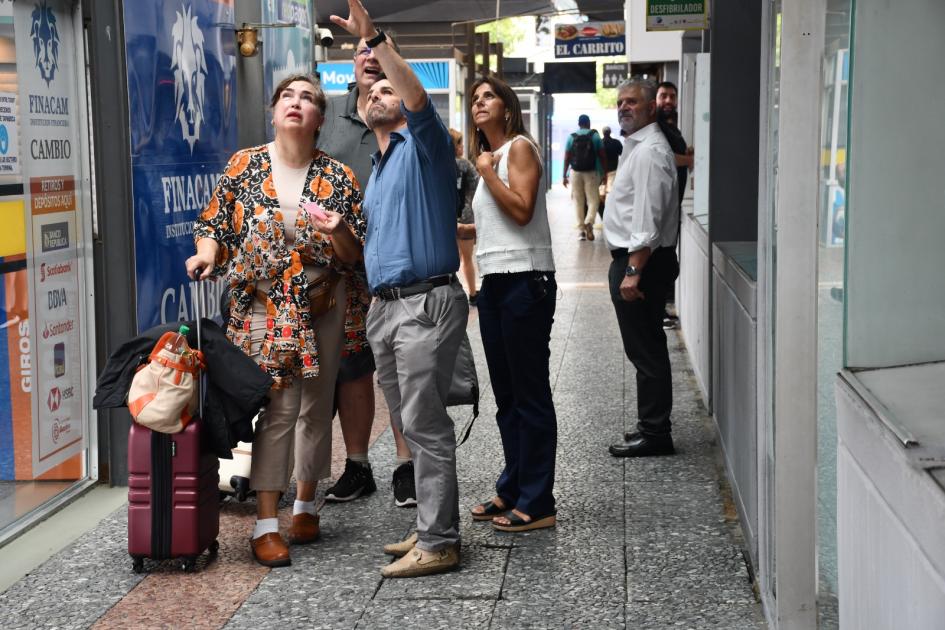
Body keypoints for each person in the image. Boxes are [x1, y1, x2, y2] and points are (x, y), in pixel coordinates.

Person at [186, 75, 365, 567]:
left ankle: (306, 504)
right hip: (266, 307)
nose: (297, 102)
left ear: (319, 119)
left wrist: (339, 231)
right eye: (288, 95)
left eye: (308, 98)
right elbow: (214, 225)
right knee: (282, 407)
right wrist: (205, 256)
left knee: (316, 404)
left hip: (324, 304)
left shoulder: (340, 176)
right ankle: (266, 523)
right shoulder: (243, 166)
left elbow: (352, 256)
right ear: (273, 111)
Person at [330, 0, 468, 578]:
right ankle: (428, 526)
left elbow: (416, 97)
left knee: (425, 424)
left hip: (423, 302)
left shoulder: (427, 147)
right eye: (369, 93)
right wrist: (339, 232)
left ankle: (439, 540)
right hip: (386, 309)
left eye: (387, 89)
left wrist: (377, 40)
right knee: (410, 423)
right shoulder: (379, 170)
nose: (377, 95)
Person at [316, 31, 417, 508]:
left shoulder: (404, 115)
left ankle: (407, 466)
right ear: (351, 63)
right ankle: (358, 465)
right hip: (339, 265)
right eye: (363, 53)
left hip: (394, 260)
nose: (371, 61)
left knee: (399, 366)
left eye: (380, 53)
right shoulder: (327, 112)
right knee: (351, 370)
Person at [466, 75, 558, 533]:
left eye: (489, 96)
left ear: (507, 107)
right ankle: (514, 485)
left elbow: (521, 210)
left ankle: (538, 501)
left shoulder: (517, 149)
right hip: (497, 282)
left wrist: (485, 171)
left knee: (530, 394)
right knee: (507, 397)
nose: (480, 103)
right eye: (475, 98)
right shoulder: (491, 157)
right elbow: (499, 225)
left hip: (526, 281)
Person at [603, 78, 680, 459]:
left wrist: (633, 271)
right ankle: (652, 424)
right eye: (620, 102)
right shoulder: (638, 148)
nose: (624, 107)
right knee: (645, 347)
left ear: (651, 108)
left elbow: (648, 217)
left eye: (632, 102)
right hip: (639, 260)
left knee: (646, 350)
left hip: (642, 263)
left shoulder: (649, 151)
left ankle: (655, 432)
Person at [655, 81, 692, 330]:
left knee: (667, 257)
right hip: (663, 204)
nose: (668, 101)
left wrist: (687, 153)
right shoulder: (657, 127)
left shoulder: (672, 128)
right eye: (663, 96)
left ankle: (662, 309)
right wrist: (689, 159)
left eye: (672, 96)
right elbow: (665, 157)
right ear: (655, 100)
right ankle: (659, 311)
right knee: (662, 258)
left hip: (674, 203)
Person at [563, 114, 607, 241]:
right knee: (593, 200)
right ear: (589, 123)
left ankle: (581, 231)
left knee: (578, 201)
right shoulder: (595, 136)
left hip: (575, 172)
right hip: (591, 172)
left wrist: (564, 175)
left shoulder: (571, 137)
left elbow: (566, 157)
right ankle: (589, 221)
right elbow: (602, 155)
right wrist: (604, 173)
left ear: (579, 123)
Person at [449, 128, 480, 304]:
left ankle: (453, 290)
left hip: (446, 218)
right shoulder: (465, 165)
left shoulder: (439, 165)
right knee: (467, 258)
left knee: (452, 258)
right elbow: (476, 186)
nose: (462, 146)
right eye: (459, 143)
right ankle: (473, 293)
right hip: (466, 216)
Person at [599, 125, 623, 212]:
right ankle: (610, 210)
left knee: (601, 192)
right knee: (610, 192)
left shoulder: (600, 142)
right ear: (610, 132)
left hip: (602, 172)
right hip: (613, 170)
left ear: (603, 133)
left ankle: (604, 210)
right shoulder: (616, 142)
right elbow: (623, 155)